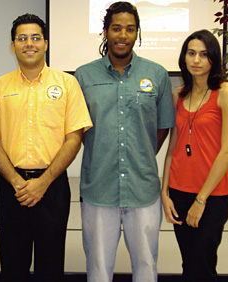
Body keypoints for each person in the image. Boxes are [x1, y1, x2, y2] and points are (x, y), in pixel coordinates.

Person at [0, 13, 92, 282]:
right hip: (10, 188)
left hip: (52, 188)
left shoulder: (67, 84)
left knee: (51, 266)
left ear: (46, 43)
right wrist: (18, 182)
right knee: (12, 265)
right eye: (22, 38)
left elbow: (74, 138)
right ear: (12, 45)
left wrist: (43, 182)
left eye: (35, 38)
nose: (29, 43)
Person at [74, 2, 175, 282]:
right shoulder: (83, 76)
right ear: (105, 32)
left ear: (137, 33)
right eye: (116, 28)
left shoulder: (157, 74)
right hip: (98, 189)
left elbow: (162, 127)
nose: (122, 35)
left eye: (130, 29)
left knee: (146, 266)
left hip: (143, 189)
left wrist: (140, 153)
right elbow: (77, 130)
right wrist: (104, 149)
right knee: (98, 269)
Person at [161, 29, 228, 282]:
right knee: (188, 264)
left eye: (204, 55)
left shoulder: (225, 91)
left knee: (203, 265)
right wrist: (164, 193)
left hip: (211, 195)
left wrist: (201, 200)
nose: (196, 60)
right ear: (184, 58)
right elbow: (173, 147)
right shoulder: (178, 95)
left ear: (213, 59)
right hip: (179, 191)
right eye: (191, 53)